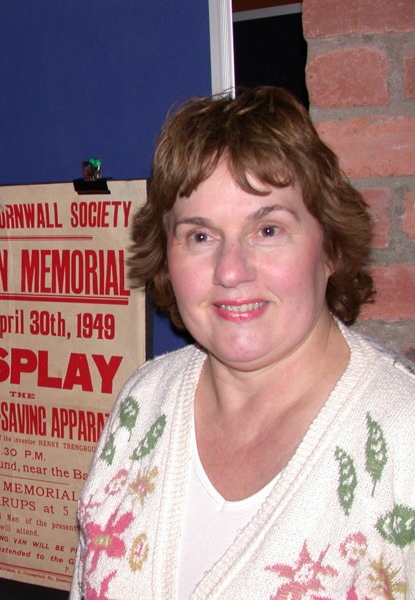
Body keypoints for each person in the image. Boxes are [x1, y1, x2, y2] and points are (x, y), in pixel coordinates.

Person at [70, 86, 415, 599]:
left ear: (331, 248)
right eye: (201, 236)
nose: (230, 271)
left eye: (268, 229)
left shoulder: (404, 439)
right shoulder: (142, 404)